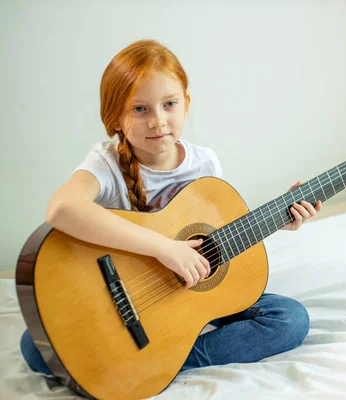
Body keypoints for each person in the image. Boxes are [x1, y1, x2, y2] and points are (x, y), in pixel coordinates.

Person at [20, 38, 322, 382]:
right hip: (126, 299)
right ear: (114, 116)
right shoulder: (106, 163)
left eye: (169, 104)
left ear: (186, 104)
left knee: (290, 320)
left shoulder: (204, 162)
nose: (158, 121)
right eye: (140, 109)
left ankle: (168, 359)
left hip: (183, 302)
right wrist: (165, 248)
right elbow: (62, 209)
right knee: (36, 348)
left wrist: (277, 220)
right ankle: (152, 353)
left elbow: (217, 239)